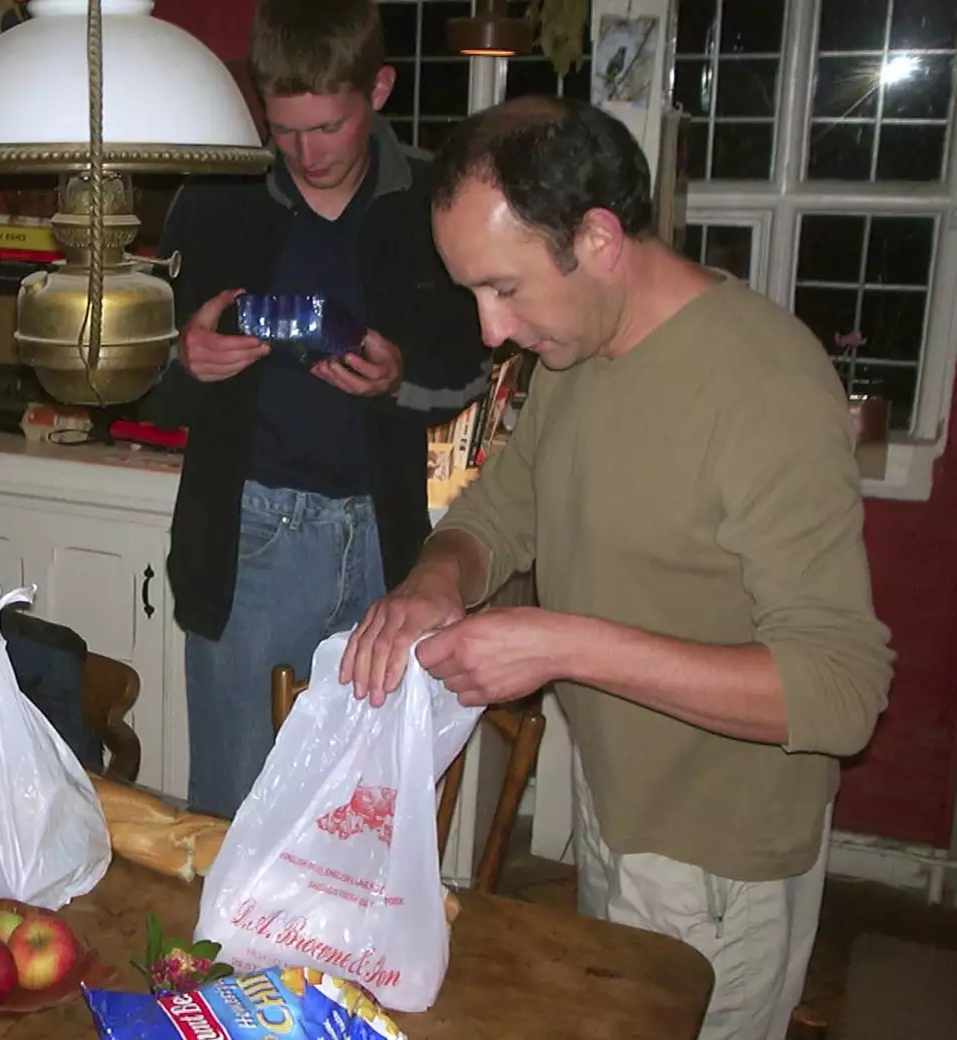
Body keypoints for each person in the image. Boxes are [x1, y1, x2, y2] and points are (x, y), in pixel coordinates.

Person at [340, 96, 894, 1040]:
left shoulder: (766, 386)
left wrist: (562, 645)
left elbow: (843, 692)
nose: (488, 330)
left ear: (598, 240)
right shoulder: (573, 354)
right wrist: (440, 577)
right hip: (616, 807)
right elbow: (501, 509)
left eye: (504, 288)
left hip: (722, 860)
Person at [141, 0, 487, 819]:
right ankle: (225, 956)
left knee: (356, 818)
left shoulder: (431, 200)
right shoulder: (216, 197)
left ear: (380, 88)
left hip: (385, 542)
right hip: (249, 542)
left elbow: (471, 371)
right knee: (235, 810)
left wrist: (397, 378)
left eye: (329, 126)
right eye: (285, 128)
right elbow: (138, 376)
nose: (307, 152)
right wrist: (184, 359)